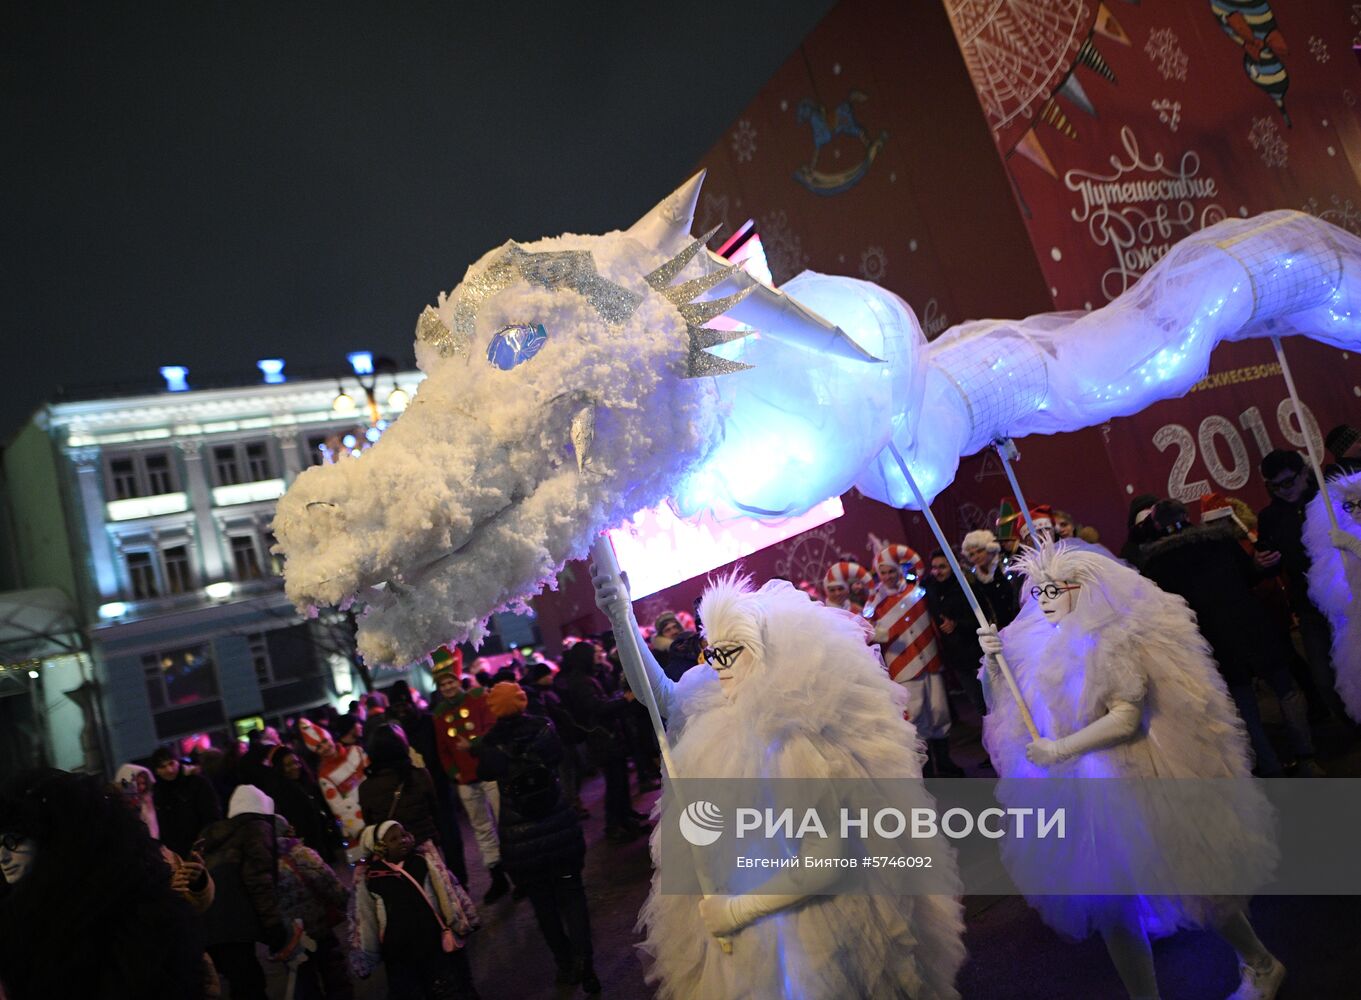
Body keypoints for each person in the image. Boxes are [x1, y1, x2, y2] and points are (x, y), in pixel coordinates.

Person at [590, 563, 967, 999]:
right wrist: (621, 619)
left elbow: (824, 862)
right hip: (740, 888)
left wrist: (737, 912)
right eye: (713, 652)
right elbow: (658, 699)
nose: (717, 665)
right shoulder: (712, 691)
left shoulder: (797, 732)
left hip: (804, 916)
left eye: (730, 653)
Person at [977, 540, 1284, 1000]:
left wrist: (1060, 750)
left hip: (1136, 780)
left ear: (1081, 589)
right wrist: (994, 668)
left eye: (1053, 591)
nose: (1042, 602)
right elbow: (1008, 714)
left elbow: (1125, 717)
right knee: (1111, 906)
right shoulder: (1037, 643)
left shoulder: (1112, 638)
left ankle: (1260, 961)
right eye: (1037, 593)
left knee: (1193, 877)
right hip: (1082, 794)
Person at [1140, 499, 1324, 776]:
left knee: (1244, 706)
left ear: (1155, 525)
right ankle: (1307, 756)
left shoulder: (1153, 563)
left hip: (1213, 640)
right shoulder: (1218, 541)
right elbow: (1250, 575)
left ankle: (1271, 767)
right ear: (1186, 516)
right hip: (1253, 624)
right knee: (1286, 690)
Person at [0, 768, 205, 1000]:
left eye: (14, 841)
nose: (3, 857)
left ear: (52, 841)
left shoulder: (126, 905)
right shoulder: (21, 913)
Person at [474, 682, 600, 993]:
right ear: (522, 700)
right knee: (572, 894)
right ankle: (587, 963)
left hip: (521, 838)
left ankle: (565, 963)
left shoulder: (490, 744)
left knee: (543, 903)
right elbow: (557, 756)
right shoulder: (543, 729)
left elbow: (484, 773)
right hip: (558, 826)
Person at [1258, 450, 1349, 725]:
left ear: (1304, 474)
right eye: (1274, 486)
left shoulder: (1327, 499)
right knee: (1323, 677)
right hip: (1308, 605)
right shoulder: (1270, 517)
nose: (1283, 491)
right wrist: (1262, 562)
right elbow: (1271, 560)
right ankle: (1350, 723)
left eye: (1288, 482)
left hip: (1345, 596)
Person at [349, 820, 480, 1000]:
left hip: (433, 942)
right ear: (380, 848)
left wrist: (465, 920)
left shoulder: (422, 862)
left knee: (446, 988)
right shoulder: (372, 879)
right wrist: (367, 957)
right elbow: (366, 920)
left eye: (404, 835)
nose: (402, 840)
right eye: (393, 839)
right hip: (399, 954)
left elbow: (450, 891)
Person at [865, 543, 964, 777]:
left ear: (899, 570)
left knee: (940, 712)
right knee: (916, 716)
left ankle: (945, 761)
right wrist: (884, 631)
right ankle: (926, 768)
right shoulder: (875, 602)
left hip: (930, 659)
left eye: (892, 571)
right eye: (884, 573)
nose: (888, 576)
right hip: (903, 666)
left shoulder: (917, 591)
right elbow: (869, 631)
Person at [200, 784, 305, 1000]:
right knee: (250, 985)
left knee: (240, 983)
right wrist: (273, 926)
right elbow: (259, 880)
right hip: (233, 921)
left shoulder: (216, 835)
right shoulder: (256, 828)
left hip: (207, 921)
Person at [432, 646, 510, 903]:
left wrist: (473, 745)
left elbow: (491, 729)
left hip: (487, 772)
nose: (448, 688)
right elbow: (443, 750)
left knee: (503, 820)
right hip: (466, 780)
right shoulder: (439, 714)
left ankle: (518, 872)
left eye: (450, 682)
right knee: (482, 828)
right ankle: (497, 876)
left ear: (458, 680)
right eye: (442, 685)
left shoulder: (477, 697)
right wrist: (453, 772)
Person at [557, 640, 650, 842]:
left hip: (609, 735)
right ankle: (614, 824)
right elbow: (596, 708)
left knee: (620, 780)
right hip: (602, 738)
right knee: (615, 782)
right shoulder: (580, 681)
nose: (599, 655)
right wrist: (624, 700)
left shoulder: (590, 676)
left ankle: (625, 817)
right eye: (594, 653)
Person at [273, 814, 352, 1000]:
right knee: (335, 975)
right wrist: (345, 902)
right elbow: (329, 883)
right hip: (319, 926)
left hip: (290, 937)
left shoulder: (262, 863)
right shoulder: (302, 853)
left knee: (305, 981)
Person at [1304, 468, 1361, 723]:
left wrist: (1353, 545)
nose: (1356, 511)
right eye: (1350, 506)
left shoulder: (1350, 540)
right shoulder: (1346, 537)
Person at [359, 723, 444, 856]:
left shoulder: (366, 788)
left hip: (393, 854)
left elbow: (371, 824)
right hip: (424, 847)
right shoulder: (419, 775)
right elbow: (434, 810)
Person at [923, 549, 989, 716]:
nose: (937, 571)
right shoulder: (931, 588)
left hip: (977, 650)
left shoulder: (966, 587)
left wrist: (956, 625)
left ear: (953, 567)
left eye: (942, 567)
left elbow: (983, 617)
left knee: (992, 695)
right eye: (934, 567)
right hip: (955, 654)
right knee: (977, 701)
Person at [300, 716, 368, 860]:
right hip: (360, 826)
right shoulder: (324, 776)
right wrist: (361, 830)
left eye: (324, 741)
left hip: (379, 809)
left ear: (330, 738)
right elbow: (339, 808)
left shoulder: (356, 751)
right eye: (318, 746)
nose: (324, 747)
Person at [268, 744, 345, 862]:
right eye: (288, 765)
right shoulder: (280, 792)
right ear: (280, 768)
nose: (295, 767)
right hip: (307, 848)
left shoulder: (308, 782)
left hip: (324, 844)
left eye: (296, 762)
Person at [151, 747, 222, 859]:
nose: (169, 770)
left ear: (178, 762)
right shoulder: (156, 793)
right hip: (175, 856)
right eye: (162, 767)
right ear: (156, 771)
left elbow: (212, 815)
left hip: (204, 849)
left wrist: (204, 843)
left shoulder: (197, 783)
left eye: (171, 763)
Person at [961, 529, 1020, 627]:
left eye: (979, 551)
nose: (976, 557)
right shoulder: (974, 581)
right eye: (971, 554)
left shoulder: (1008, 567)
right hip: (1000, 631)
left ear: (990, 549)